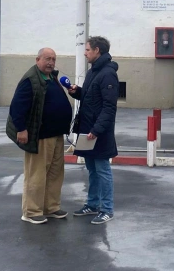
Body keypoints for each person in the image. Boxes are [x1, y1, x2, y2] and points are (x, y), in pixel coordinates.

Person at [9, 47, 73, 225]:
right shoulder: (30, 79)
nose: (51, 62)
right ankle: (31, 211)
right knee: (36, 174)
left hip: (56, 134)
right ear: (37, 59)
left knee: (55, 173)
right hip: (40, 136)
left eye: (53, 59)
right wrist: (21, 129)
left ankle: (51, 207)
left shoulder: (52, 77)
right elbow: (17, 107)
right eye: (47, 59)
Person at [66, 36, 119, 225]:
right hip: (87, 129)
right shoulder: (93, 72)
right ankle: (93, 204)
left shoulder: (107, 74)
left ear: (97, 51)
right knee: (92, 169)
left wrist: (97, 129)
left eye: (87, 49)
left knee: (102, 169)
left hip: (98, 132)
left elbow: (109, 107)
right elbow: (90, 97)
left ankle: (107, 209)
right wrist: (77, 91)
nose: (85, 52)